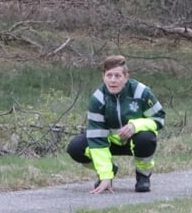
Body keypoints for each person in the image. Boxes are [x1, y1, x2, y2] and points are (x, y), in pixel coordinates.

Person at [66, 55, 165, 194]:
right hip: (109, 142)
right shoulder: (98, 99)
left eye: (118, 76)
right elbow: (97, 139)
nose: (113, 80)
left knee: (146, 139)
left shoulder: (141, 92)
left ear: (126, 77)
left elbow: (159, 119)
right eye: (109, 75)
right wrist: (106, 175)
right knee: (76, 147)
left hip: (135, 140)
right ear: (103, 77)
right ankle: (109, 170)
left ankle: (143, 176)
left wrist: (135, 126)